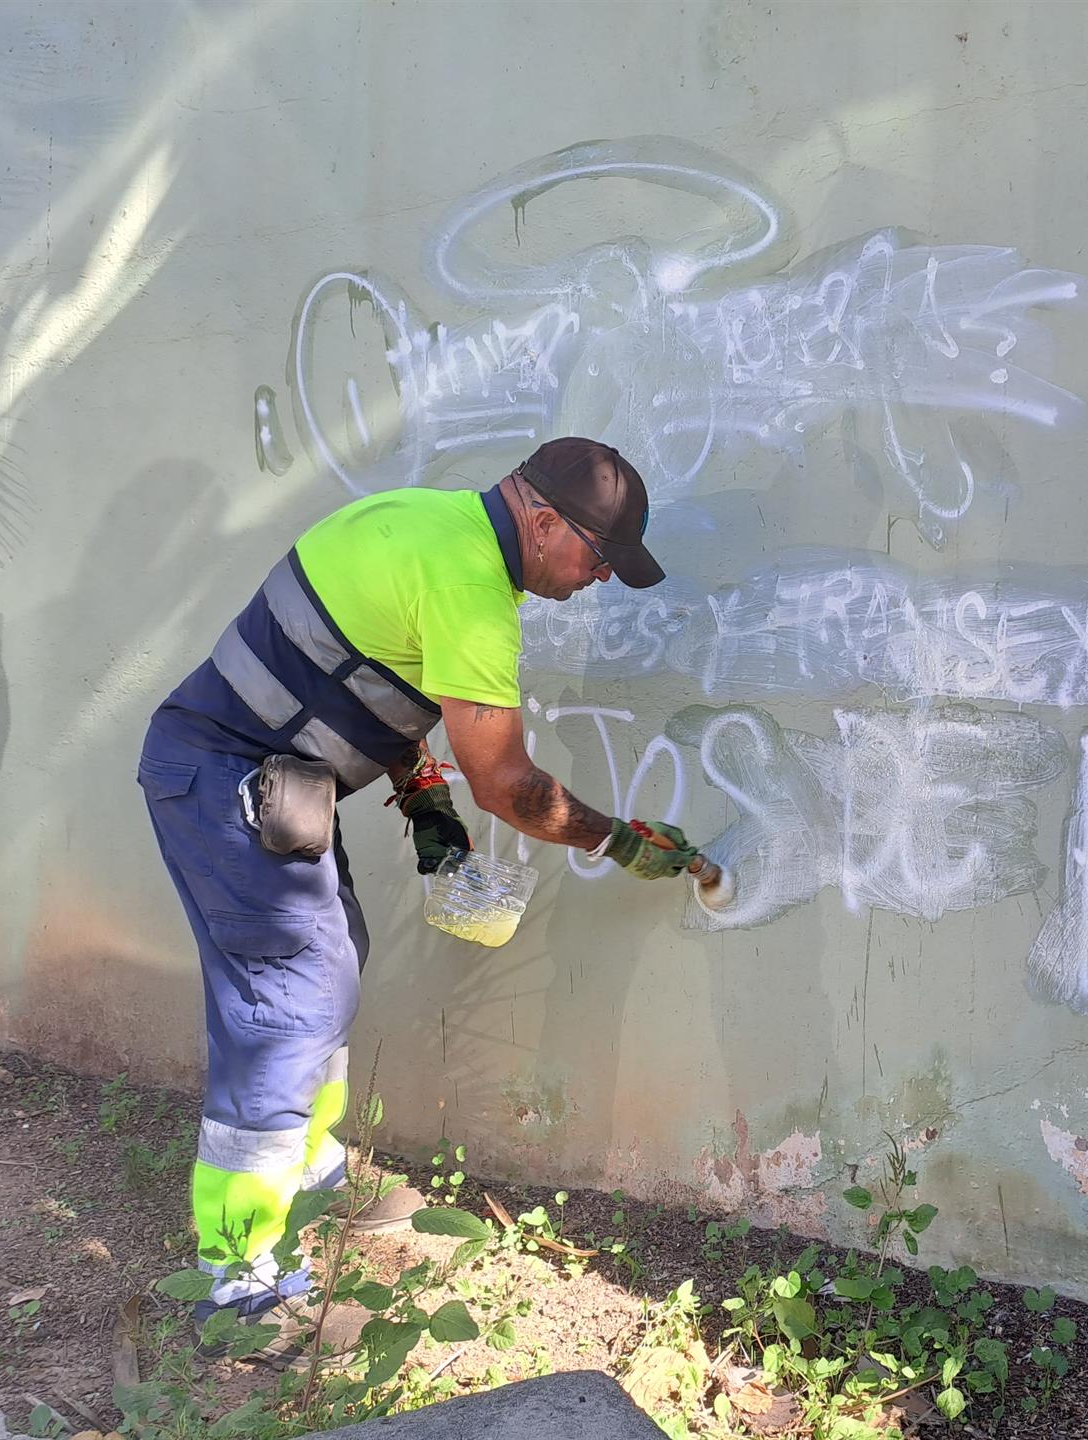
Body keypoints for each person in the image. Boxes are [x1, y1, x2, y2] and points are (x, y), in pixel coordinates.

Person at [136, 437, 699, 1350]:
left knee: (330, 968)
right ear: (545, 522)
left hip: (259, 776)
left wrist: (421, 800)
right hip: (224, 779)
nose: (598, 578)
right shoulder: (472, 586)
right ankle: (239, 1277)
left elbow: (358, 673)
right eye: (597, 558)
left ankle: (313, 1182)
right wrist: (621, 842)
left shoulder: (426, 524)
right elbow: (510, 786)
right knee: (287, 1005)